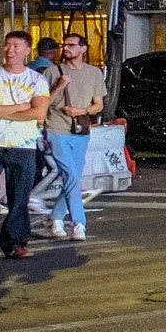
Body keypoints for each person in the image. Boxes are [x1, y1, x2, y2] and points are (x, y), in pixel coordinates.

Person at [43, 32, 105, 243]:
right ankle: (79, 223)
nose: (66, 48)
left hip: (80, 131)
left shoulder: (94, 73)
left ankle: (56, 218)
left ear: (83, 48)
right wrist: (59, 85)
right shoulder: (53, 72)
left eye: (71, 45)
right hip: (56, 129)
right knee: (70, 175)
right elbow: (43, 103)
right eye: (65, 44)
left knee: (73, 177)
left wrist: (81, 111)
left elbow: (99, 104)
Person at [0, 32, 50, 261]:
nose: (10, 50)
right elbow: (29, 111)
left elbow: (39, 112)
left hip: (24, 146)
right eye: (7, 45)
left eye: (16, 46)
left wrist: (4, 111)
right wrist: (20, 107)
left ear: (27, 50)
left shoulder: (36, 80)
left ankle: (15, 243)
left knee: (19, 197)